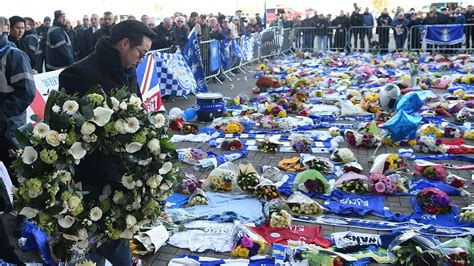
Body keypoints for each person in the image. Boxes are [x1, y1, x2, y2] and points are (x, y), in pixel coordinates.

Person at [58, 20, 156, 265]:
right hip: (89, 180)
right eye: (140, 53)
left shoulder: (128, 70)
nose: (141, 60)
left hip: (122, 177)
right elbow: (65, 130)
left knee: (117, 241)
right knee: (92, 246)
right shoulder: (78, 74)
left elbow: (138, 114)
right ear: (124, 44)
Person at [0, 16, 36, 175]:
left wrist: (2, 113)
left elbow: (26, 92)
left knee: (15, 171)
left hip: (10, 127)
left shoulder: (15, 55)